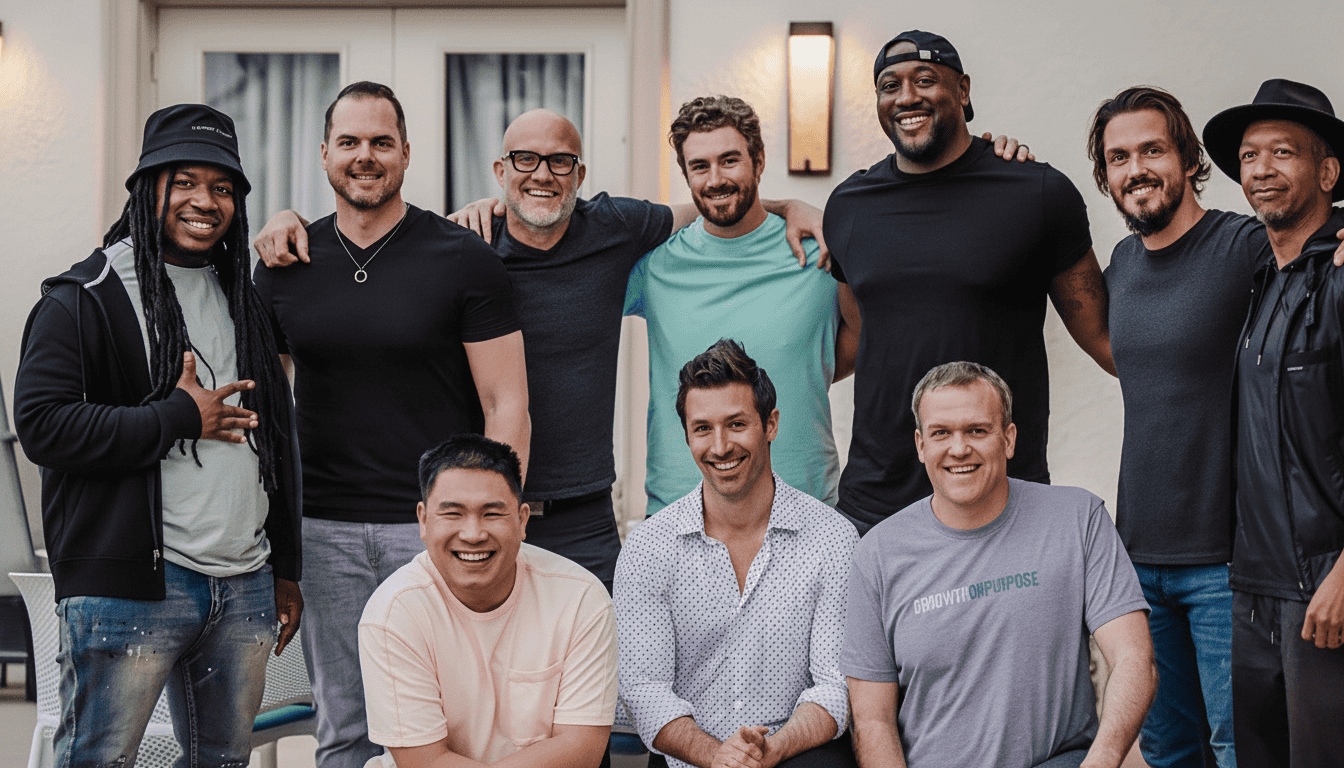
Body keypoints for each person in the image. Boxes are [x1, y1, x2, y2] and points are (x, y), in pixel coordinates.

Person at [252, 106, 826, 591]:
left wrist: (788, 207)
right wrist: (292, 221)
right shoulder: (463, 249)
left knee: (596, 690)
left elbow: (714, 204)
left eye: (559, 162)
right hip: (481, 513)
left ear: (580, 173)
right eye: (524, 161)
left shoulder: (616, 229)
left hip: (584, 517)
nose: (541, 175)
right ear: (501, 171)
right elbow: (366, 240)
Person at [13, 104, 302, 767]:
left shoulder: (245, 299)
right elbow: (43, 426)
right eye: (186, 181)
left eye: (223, 187)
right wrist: (177, 417)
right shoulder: (85, 297)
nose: (206, 201)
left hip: (243, 584)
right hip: (131, 589)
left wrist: (284, 565)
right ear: (149, 188)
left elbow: (276, 443)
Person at [250, 81, 529, 768]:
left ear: (407, 152)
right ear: (324, 155)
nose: (365, 156)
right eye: (350, 142)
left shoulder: (463, 259)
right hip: (325, 533)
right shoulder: (286, 266)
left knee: (451, 724)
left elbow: (508, 404)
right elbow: (262, 408)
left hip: (432, 530)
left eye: (381, 142)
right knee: (345, 728)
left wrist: (491, 521)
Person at [822, 30, 1113, 533]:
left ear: (963, 90)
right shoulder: (848, 207)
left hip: (1002, 498)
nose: (907, 96)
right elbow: (860, 334)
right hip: (877, 501)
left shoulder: (1037, 193)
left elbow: (1104, 337)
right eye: (889, 85)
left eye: (926, 79)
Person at [843, 362, 1154, 768]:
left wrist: (1104, 759)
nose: (958, 449)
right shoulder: (877, 554)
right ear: (921, 446)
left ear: (1008, 439)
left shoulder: (1077, 518)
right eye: (941, 433)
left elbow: (1134, 656)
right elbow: (872, 721)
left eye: (977, 430)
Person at [1088, 86, 1246, 768]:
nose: (1136, 169)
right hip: (1141, 557)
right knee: (1170, 749)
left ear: (1187, 158)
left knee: (1240, 745)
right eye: (1118, 157)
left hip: (1228, 555)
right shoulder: (1122, 265)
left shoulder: (1243, 244)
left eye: (1152, 149)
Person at [615, 340, 859, 768]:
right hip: (690, 759)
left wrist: (772, 749)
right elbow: (644, 689)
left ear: (771, 425)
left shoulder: (832, 539)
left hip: (799, 756)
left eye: (736, 424)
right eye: (703, 428)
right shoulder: (648, 548)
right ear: (688, 435)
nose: (721, 446)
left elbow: (836, 687)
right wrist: (716, 756)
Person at [1202, 78, 1344, 768]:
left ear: (1327, 173)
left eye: (1282, 152)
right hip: (1254, 585)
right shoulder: (1263, 277)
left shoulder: (1342, 277)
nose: (1261, 169)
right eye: (1251, 156)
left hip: (1325, 584)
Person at [625, 95, 857, 515]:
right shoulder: (654, 266)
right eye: (699, 166)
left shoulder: (819, 252)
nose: (715, 179)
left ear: (759, 160)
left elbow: (861, 339)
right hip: (678, 516)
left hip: (805, 512)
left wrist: (804, 366)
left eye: (729, 160)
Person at [359, 434, 615, 768]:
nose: (473, 534)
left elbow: (581, 749)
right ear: (423, 520)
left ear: (522, 520)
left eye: (491, 513)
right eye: (452, 514)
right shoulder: (393, 613)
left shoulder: (580, 598)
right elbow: (425, 761)